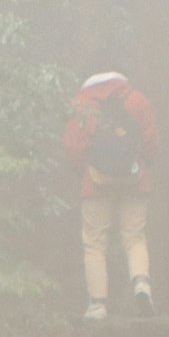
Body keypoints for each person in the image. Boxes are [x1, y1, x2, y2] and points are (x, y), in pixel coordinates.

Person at [65, 71, 158, 320]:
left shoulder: (83, 104)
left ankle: (97, 305)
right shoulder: (137, 100)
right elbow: (150, 142)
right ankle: (141, 284)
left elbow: (75, 146)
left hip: (95, 182)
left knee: (95, 242)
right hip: (134, 180)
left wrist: (82, 171)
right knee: (134, 237)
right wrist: (143, 164)